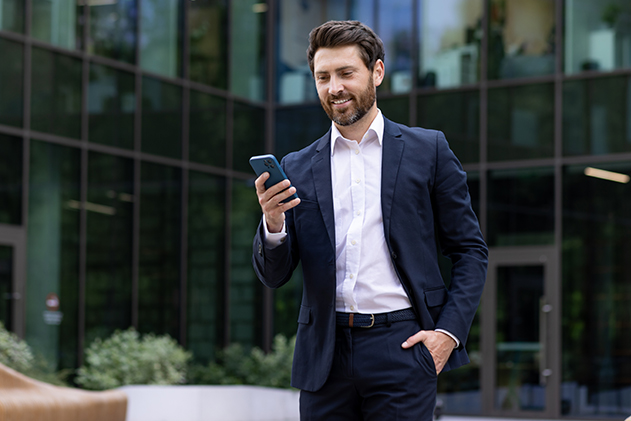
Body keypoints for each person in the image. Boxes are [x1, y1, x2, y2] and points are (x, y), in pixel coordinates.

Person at [252, 20, 487, 421]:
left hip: (403, 347)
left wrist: (447, 335)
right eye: (322, 77)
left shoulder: (428, 150)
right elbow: (275, 276)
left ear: (376, 72)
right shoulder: (296, 166)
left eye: (346, 73)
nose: (334, 87)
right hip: (324, 353)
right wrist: (273, 225)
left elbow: (470, 252)